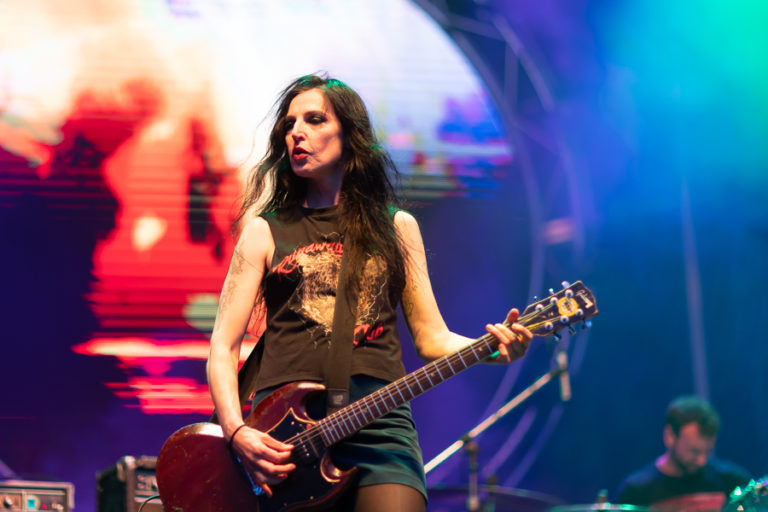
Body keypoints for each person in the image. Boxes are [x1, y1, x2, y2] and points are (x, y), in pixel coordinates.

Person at [205, 74, 533, 512]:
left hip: (379, 426)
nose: (296, 132)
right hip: (283, 435)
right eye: (289, 124)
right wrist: (235, 431)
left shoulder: (396, 228)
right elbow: (223, 348)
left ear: (350, 135)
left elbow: (432, 338)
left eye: (314, 120)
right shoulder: (264, 231)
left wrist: (492, 348)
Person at [614, 395, 752, 508]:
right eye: (694, 451)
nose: (702, 461)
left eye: (707, 451)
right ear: (669, 436)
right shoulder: (636, 491)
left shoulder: (731, 481)